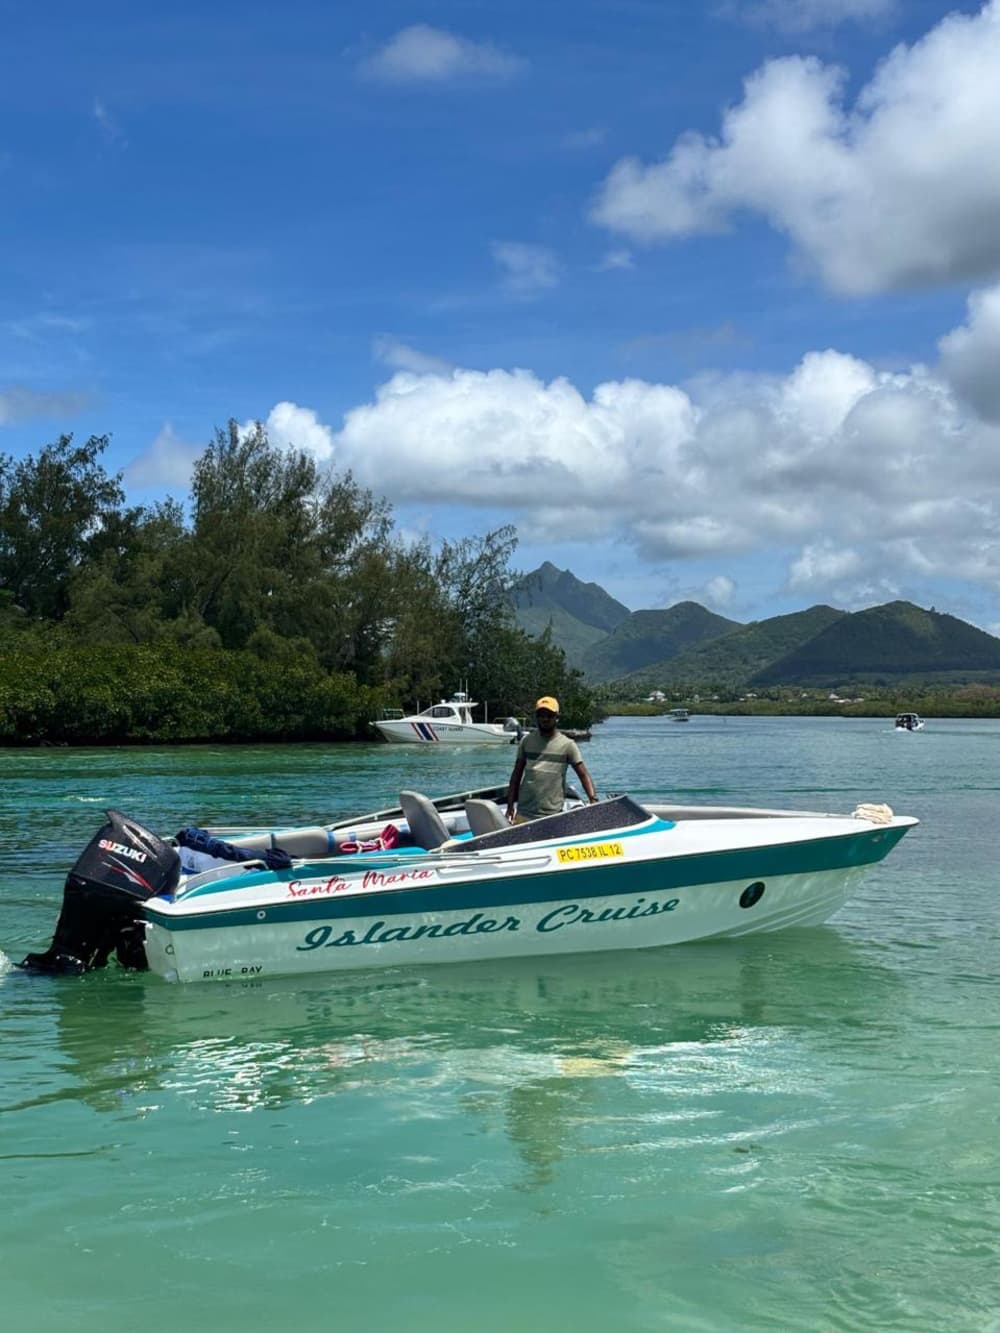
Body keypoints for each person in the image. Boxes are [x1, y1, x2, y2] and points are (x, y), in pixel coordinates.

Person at [506, 696, 598, 823]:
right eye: (541, 715)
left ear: (557, 717)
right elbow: (516, 775)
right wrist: (510, 805)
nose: (545, 719)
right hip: (524, 813)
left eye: (549, 715)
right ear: (536, 717)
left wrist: (593, 800)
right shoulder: (526, 741)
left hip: (552, 816)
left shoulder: (568, 745)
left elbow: (583, 775)